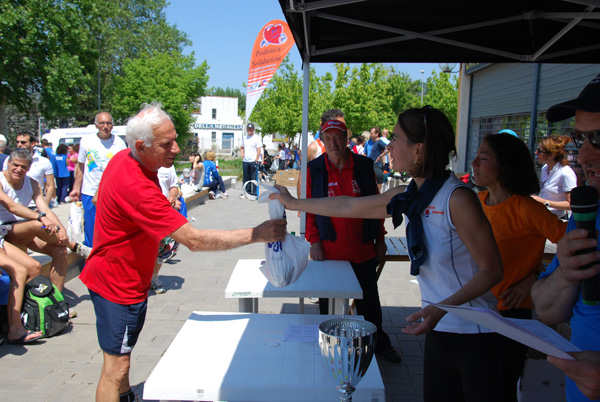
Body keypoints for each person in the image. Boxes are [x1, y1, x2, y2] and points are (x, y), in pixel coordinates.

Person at [271, 105, 504, 402]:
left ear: (419, 149)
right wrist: (294, 204)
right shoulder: (409, 195)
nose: (389, 146)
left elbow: (492, 270)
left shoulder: (457, 199)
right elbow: (349, 206)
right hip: (438, 330)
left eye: (396, 138)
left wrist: (442, 307)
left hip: (474, 335)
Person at [79, 102, 286, 402]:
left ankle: (126, 398)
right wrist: (257, 234)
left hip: (120, 279)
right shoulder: (138, 186)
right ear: (141, 145)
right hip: (117, 286)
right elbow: (195, 241)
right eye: (167, 144)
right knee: (116, 368)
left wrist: (135, 222)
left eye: (175, 138)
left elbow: (99, 198)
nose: (176, 149)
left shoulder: (124, 159)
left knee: (121, 359)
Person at [471, 133, 567, 401]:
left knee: (500, 390)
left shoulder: (527, 209)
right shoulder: (476, 203)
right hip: (475, 311)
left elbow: (574, 247)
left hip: (510, 316)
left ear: (505, 165)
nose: (474, 162)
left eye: (484, 157)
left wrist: (535, 280)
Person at [306, 118, 401, 364]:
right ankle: (328, 345)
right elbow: (308, 209)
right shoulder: (314, 169)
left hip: (362, 248)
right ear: (323, 141)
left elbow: (377, 205)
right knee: (328, 307)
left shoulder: (363, 165)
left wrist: (380, 238)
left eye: (338, 137)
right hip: (329, 250)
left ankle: (379, 343)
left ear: (347, 138)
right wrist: (314, 242)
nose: (333, 142)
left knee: (369, 303)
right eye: (328, 138)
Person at [531, 73, 600, 402]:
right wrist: (566, 274)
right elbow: (546, 311)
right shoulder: (589, 216)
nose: (584, 155)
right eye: (580, 137)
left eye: (598, 138)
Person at [0, 149, 90, 292]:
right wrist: (41, 217)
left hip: (25, 229)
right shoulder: (1, 180)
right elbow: (12, 207)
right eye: (15, 165)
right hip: (6, 231)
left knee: (60, 252)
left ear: (29, 168)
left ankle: (55, 301)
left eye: (23, 167)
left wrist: (61, 230)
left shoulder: (32, 183)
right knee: (38, 224)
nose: (19, 170)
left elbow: (45, 209)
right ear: (8, 164)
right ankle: (72, 245)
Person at [69, 112, 127, 247]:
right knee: (91, 228)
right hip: (89, 192)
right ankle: (91, 260)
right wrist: (76, 188)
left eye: (108, 123)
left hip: (112, 194)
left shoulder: (119, 143)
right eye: (102, 123)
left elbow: (124, 170)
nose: (105, 126)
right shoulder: (86, 141)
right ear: (96, 125)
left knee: (112, 228)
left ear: (112, 126)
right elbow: (81, 166)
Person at [151, 165, 182, 294]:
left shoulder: (167, 166)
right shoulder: (137, 161)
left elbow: (174, 186)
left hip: (162, 213)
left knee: (161, 248)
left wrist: (172, 197)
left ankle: (154, 278)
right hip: (142, 212)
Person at [4, 132, 56, 207]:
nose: (19, 144)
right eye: (17, 142)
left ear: (32, 144)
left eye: (23, 142)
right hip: (13, 205)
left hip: (34, 205)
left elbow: (50, 185)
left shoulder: (43, 161)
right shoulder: (9, 160)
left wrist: (45, 205)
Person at [531, 135, 577, 219]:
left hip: (558, 219)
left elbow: (571, 204)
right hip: (543, 217)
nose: (536, 153)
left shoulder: (565, 173)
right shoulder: (545, 168)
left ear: (552, 155)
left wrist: (545, 202)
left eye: (540, 151)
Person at [240, 122, 261, 199]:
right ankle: (247, 192)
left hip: (253, 160)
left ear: (253, 129)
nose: (250, 130)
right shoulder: (245, 138)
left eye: (251, 129)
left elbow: (258, 149)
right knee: (246, 178)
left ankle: (254, 193)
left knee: (253, 178)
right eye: (248, 129)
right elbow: (241, 147)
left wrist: (256, 159)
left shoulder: (256, 138)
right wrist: (242, 154)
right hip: (246, 160)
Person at [367, 126, 388, 191]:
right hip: (372, 165)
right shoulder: (372, 142)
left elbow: (389, 148)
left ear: (377, 134)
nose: (370, 135)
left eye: (372, 133)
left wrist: (381, 156)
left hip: (377, 166)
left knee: (377, 188)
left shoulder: (379, 142)